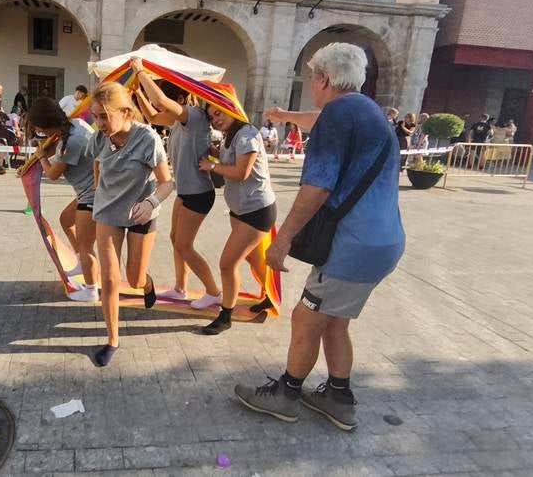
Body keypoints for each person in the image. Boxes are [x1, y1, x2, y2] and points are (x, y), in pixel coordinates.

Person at [237, 42, 404, 433]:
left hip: (350, 246)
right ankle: (338, 397)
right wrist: (285, 116)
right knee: (335, 322)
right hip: (384, 243)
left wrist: (282, 241)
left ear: (324, 78)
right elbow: (321, 117)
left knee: (306, 319)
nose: (311, 83)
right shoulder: (368, 111)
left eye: (312, 77)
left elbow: (317, 188)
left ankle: (287, 394)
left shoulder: (338, 116)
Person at [89, 81, 173, 367]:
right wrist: (98, 187)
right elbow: (96, 162)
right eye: (95, 116)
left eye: (104, 116)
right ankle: (112, 339)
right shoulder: (99, 137)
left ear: (125, 112)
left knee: (134, 278)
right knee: (110, 280)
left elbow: (166, 183)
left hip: (141, 212)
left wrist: (151, 203)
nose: (99, 123)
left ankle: (146, 282)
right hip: (108, 213)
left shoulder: (148, 139)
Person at [130, 60, 221, 306]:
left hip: (200, 194)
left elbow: (159, 102)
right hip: (185, 192)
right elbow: (151, 114)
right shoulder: (177, 120)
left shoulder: (195, 116)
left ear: (180, 98)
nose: (165, 110)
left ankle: (213, 292)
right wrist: (137, 88)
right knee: (175, 240)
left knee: (185, 246)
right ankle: (181, 288)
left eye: (171, 102)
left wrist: (139, 69)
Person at [195, 105, 277, 334]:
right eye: (211, 117)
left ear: (231, 108)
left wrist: (212, 166)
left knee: (227, 263)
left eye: (219, 113)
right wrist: (212, 151)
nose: (215, 120)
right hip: (241, 210)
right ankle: (271, 295)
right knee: (253, 259)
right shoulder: (232, 135)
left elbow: (241, 172)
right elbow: (228, 159)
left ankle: (225, 316)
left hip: (256, 211)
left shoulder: (248, 135)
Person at [27, 96, 101, 302]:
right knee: (66, 220)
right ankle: (80, 262)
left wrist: (41, 156)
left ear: (44, 125)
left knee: (87, 246)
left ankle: (91, 289)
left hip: (94, 194)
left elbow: (52, 174)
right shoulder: (74, 125)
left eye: (39, 129)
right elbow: (57, 149)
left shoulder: (72, 141)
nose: (40, 133)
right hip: (89, 191)